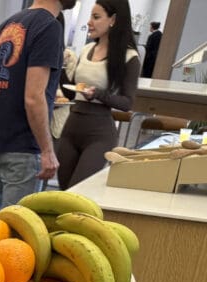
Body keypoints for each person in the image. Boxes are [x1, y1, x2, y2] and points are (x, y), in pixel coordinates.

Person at [0, 0, 77, 217]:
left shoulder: (7, 24)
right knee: (15, 228)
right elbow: (33, 97)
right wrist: (47, 151)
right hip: (24, 145)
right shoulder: (50, 27)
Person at [55, 0, 139, 188]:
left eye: (96, 17)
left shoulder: (129, 57)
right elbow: (71, 94)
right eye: (90, 17)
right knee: (64, 190)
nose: (89, 22)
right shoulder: (86, 50)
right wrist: (60, 67)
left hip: (99, 133)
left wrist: (98, 95)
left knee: (78, 192)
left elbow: (127, 103)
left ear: (113, 20)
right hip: (71, 128)